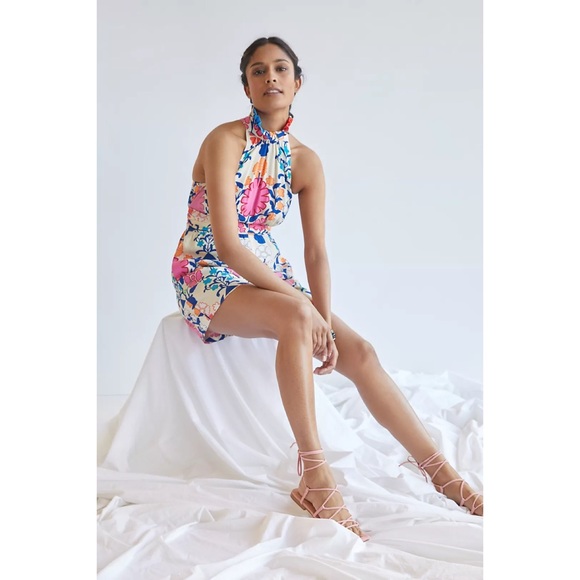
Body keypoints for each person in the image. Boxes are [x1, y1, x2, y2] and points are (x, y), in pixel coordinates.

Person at [171, 36, 483, 542]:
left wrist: (326, 320)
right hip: (205, 269)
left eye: (280, 68)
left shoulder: (306, 161)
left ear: (297, 82)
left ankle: (443, 475)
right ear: (246, 86)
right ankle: (315, 478)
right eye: (257, 71)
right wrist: (306, 308)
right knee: (298, 316)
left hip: (269, 272)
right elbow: (227, 245)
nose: (270, 77)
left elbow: (316, 253)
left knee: (361, 351)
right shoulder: (224, 141)